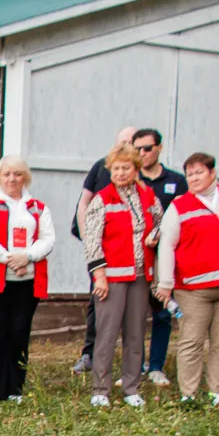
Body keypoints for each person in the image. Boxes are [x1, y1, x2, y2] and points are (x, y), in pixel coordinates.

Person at [156, 152, 219, 405]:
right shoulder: (179, 206)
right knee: (192, 340)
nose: (193, 178)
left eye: (199, 172)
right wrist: (165, 283)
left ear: (212, 173)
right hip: (194, 289)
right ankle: (188, 393)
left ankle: (216, 391)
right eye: (189, 174)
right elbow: (166, 245)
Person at [0, 155, 55, 404]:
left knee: (19, 333)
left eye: (17, 174)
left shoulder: (38, 207)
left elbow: (48, 239)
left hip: (27, 281)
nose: (12, 179)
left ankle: (15, 387)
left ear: (25, 177)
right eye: (7, 174)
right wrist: (9, 258)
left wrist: (27, 256)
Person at [83, 143, 162, 409]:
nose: (120, 173)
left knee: (136, 333)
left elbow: (162, 223)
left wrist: (155, 236)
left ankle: (131, 387)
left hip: (140, 275)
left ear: (135, 169)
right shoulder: (102, 198)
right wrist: (99, 276)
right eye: (115, 168)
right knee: (106, 334)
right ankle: (100, 389)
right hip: (112, 276)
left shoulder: (148, 195)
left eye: (125, 168)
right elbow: (92, 240)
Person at [72, 126, 137, 374]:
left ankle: (134, 364)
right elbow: (83, 203)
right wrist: (89, 243)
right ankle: (89, 353)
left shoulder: (144, 185)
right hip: (103, 257)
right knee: (97, 303)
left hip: (135, 262)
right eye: (123, 141)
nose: (126, 145)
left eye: (131, 142)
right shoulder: (101, 167)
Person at [132, 129, 188, 388]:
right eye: (138, 149)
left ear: (160, 148)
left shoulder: (177, 181)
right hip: (137, 256)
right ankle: (136, 364)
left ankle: (156, 366)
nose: (143, 153)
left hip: (166, 258)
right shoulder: (131, 180)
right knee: (135, 314)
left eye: (148, 148)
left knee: (162, 314)